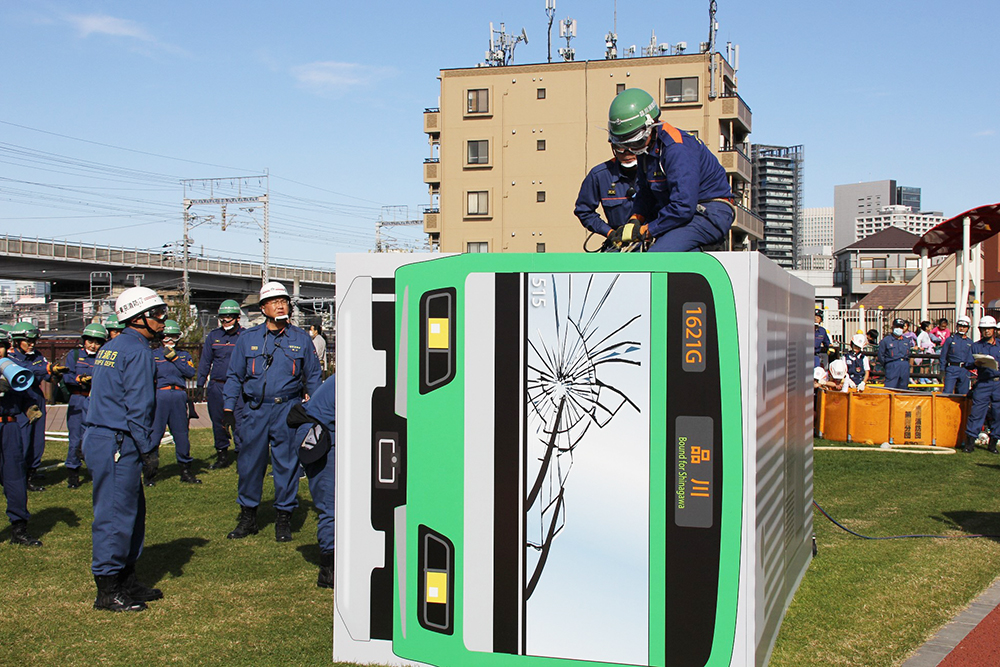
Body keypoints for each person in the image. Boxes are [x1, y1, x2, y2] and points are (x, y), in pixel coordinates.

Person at [84, 286, 168, 611]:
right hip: (120, 441)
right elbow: (139, 406)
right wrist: (149, 449)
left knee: (132, 512)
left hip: (106, 437)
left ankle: (127, 579)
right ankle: (108, 589)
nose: (163, 319)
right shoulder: (138, 351)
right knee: (116, 514)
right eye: (157, 313)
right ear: (139, 318)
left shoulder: (113, 346)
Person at [223, 282, 321, 542]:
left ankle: (283, 519)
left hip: (287, 410)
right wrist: (228, 408)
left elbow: (313, 377)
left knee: (287, 465)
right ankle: (248, 517)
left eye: (284, 301)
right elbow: (234, 376)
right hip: (254, 410)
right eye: (275, 301)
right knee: (249, 465)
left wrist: (315, 412)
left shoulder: (300, 339)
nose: (281, 305)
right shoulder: (248, 339)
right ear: (263, 307)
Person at [604, 88, 735, 252]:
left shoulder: (677, 149)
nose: (631, 150)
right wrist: (635, 220)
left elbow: (683, 206)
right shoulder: (646, 150)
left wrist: (645, 231)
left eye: (636, 143)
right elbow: (645, 192)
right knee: (628, 257)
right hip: (677, 212)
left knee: (657, 257)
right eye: (624, 146)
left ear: (651, 126)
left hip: (708, 212)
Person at [286, 373, 336, 588]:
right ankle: (329, 570)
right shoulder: (356, 375)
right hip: (319, 434)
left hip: (325, 428)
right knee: (332, 503)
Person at [9, 322, 67, 492]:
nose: (32, 344)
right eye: (28, 341)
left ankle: (32, 471)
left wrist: (55, 373)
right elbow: (27, 372)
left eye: (34, 341)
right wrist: (47, 369)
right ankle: (20, 476)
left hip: (36, 400)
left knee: (37, 440)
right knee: (23, 439)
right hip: (21, 402)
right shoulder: (11, 359)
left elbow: (45, 374)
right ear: (18, 341)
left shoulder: (38, 356)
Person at [0, 329, 43, 546]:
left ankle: (19, 528)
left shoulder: (10, 367)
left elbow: (24, 391)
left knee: (15, 478)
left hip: (9, 428)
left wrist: (29, 407)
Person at [150, 319, 199, 486]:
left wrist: (175, 358)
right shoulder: (153, 355)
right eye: (166, 337)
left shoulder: (184, 355)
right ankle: (150, 472)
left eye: (174, 337)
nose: (170, 341)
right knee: (155, 434)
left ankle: (185, 470)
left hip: (178, 395)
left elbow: (190, 372)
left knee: (181, 435)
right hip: (160, 395)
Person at [196, 299, 244, 470]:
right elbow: (205, 361)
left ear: (237, 318)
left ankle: (241, 455)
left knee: (239, 422)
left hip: (238, 386)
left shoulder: (244, 336)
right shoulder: (214, 336)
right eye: (222, 318)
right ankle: (222, 455)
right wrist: (200, 384)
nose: (225, 321)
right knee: (218, 422)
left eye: (229, 318)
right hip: (217, 386)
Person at [61, 323, 108, 489]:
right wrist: (79, 380)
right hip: (78, 399)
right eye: (90, 341)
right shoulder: (74, 355)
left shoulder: (104, 358)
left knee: (97, 437)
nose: (93, 345)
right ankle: (73, 473)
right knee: (75, 438)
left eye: (97, 342)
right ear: (84, 340)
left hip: (97, 400)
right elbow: (67, 376)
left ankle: (96, 471)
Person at [574, 143, 640, 240]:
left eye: (632, 147)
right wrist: (610, 233)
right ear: (613, 147)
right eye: (621, 148)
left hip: (653, 238)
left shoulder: (658, 170)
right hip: (620, 241)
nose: (627, 153)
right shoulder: (599, 175)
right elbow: (584, 211)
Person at [963, 315, 1000, 454]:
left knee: (998, 413)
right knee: (977, 413)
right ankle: (970, 443)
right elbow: (967, 364)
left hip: (998, 383)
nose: (987, 331)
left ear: (994, 330)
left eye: (989, 329)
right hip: (983, 383)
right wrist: (975, 363)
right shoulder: (975, 346)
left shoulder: (999, 346)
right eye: (984, 329)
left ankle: (993, 442)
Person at [940, 316, 973, 395]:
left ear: (968, 328)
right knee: (947, 393)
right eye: (960, 326)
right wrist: (942, 370)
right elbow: (943, 356)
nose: (962, 328)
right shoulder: (950, 340)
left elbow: (971, 358)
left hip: (965, 370)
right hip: (952, 368)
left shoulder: (970, 342)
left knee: (963, 394)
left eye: (964, 327)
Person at [878, 318, 911, 390]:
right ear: (893, 327)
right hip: (892, 364)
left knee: (904, 387)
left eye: (901, 327)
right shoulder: (886, 340)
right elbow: (881, 356)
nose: (899, 329)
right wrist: (888, 365)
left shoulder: (906, 341)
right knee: (890, 387)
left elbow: (909, 354)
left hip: (904, 365)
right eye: (897, 327)